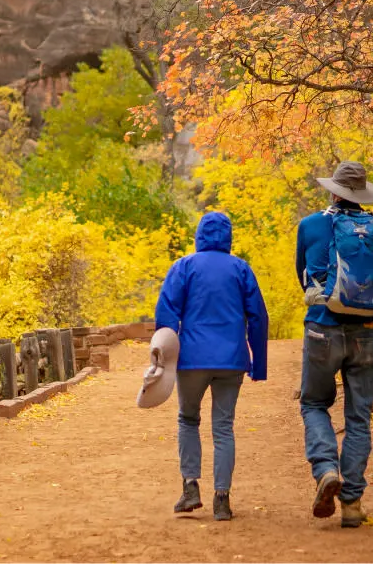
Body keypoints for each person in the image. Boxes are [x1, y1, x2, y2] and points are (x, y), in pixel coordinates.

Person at [295, 161, 373, 528]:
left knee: (314, 403)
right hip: (366, 329)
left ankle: (324, 470)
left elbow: (301, 275)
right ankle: (352, 505)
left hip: (322, 327)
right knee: (358, 418)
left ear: (334, 190)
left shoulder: (310, 225)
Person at [154, 211, 269, 521]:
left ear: (199, 235)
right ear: (228, 237)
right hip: (231, 361)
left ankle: (190, 487)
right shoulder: (241, 268)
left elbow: (166, 312)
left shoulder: (184, 267)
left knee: (188, 418)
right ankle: (222, 499)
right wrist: (258, 364)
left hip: (191, 360)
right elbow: (258, 316)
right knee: (223, 427)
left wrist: (164, 356)